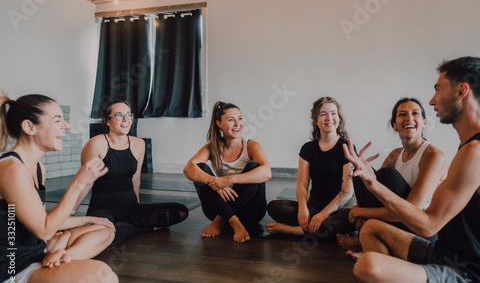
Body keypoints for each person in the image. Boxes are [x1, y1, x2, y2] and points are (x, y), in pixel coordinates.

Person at [343, 57, 480, 283]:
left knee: (367, 265)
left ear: (462, 91)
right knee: (371, 228)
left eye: (438, 89)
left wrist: (374, 184)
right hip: (446, 256)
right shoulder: (472, 146)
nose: (432, 100)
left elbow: (427, 225)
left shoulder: (478, 152)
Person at [0, 94, 118, 283]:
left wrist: (88, 220)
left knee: (105, 229)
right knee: (105, 281)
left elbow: (40, 220)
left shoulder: (37, 167)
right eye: (57, 120)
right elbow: (45, 229)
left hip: (36, 250)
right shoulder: (11, 169)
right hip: (11, 270)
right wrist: (79, 183)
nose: (66, 125)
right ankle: (57, 256)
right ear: (30, 127)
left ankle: (60, 255)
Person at [337, 98, 447, 255]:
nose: (409, 118)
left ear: (424, 122)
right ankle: (307, 229)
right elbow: (376, 194)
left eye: (415, 113)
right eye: (402, 114)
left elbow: (412, 210)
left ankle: (362, 241)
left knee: (387, 176)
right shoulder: (394, 155)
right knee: (360, 174)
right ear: (394, 125)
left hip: (421, 230)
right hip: (397, 219)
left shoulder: (433, 156)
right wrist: (358, 210)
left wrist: (360, 212)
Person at [79, 100, 188, 244]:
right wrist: (70, 215)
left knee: (180, 211)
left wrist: (137, 208)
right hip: (103, 207)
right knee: (101, 233)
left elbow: (135, 180)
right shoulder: (96, 144)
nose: (125, 120)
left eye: (128, 115)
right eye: (119, 115)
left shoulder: (138, 144)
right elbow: (83, 183)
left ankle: (123, 227)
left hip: (130, 206)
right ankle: (144, 228)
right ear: (107, 121)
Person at [266, 97, 355, 239]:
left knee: (351, 219)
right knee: (274, 207)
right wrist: (303, 208)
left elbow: (347, 191)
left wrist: (323, 214)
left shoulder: (347, 147)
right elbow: (302, 184)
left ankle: (293, 230)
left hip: (339, 207)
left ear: (339, 117)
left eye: (333, 113)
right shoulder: (308, 149)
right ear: (315, 119)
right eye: (323, 114)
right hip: (315, 204)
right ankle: (329, 233)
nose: (329, 118)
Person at [183, 101, 271, 243]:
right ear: (219, 123)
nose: (238, 123)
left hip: (251, 211)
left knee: (254, 167)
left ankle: (220, 221)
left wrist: (229, 180)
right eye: (231, 120)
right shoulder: (211, 147)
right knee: (200, 169)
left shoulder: (252, 146)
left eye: (240, 118)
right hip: (219, 207)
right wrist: (214, 182)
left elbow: (267, 173)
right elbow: (188, 169)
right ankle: (233, 220)